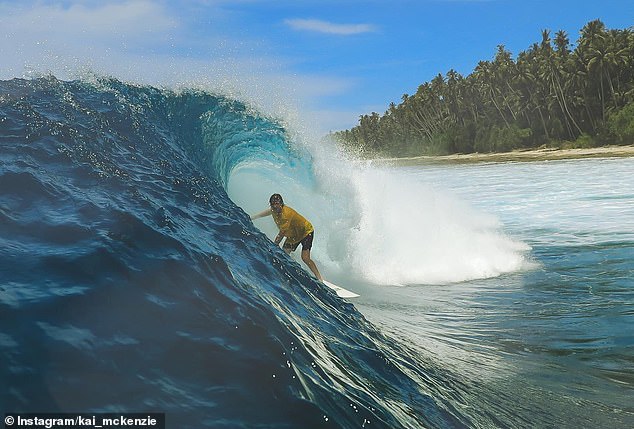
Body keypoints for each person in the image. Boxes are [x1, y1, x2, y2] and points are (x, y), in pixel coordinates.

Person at [251, 193, 323, 281]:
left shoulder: (286, 215)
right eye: (273, 205)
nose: (275, 207)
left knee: (305, 257)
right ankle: (292, 271)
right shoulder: (273, 210)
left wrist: (273, 246)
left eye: (277, 205)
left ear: (281, 204)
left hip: (306, 232)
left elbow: (281, 234)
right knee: (284, 254)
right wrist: (254, 217)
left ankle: (319, 278)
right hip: (294, 236)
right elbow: (267, 212)